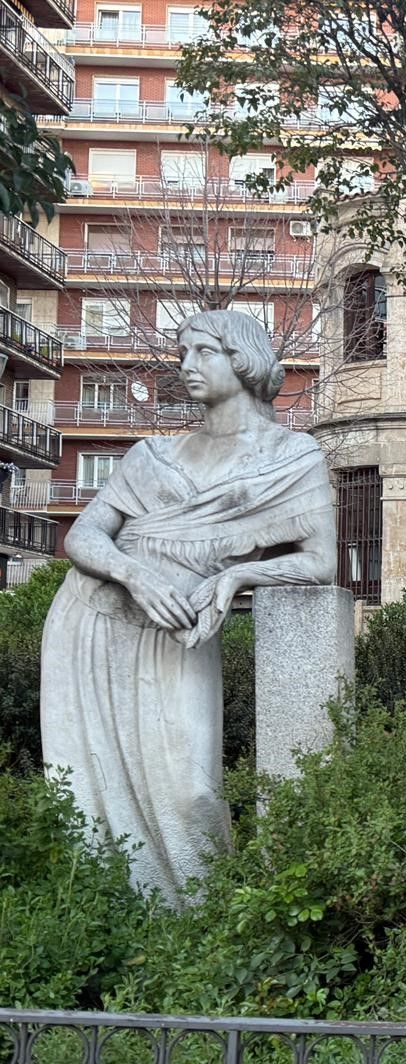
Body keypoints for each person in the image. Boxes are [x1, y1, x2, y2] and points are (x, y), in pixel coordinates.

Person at [41, 310, 336, 903]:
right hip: (91, 621)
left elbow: (321, 561)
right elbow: (81, 538)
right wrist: (134, 575)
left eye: (203, 352)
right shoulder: (152, 454)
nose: (186, 365)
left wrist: (238, 577)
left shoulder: (294, 458)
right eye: (183, 352)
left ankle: (205, 933)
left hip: (181, 630)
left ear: (243, 360)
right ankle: (117, 931)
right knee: (83, 797)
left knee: (191, 793)